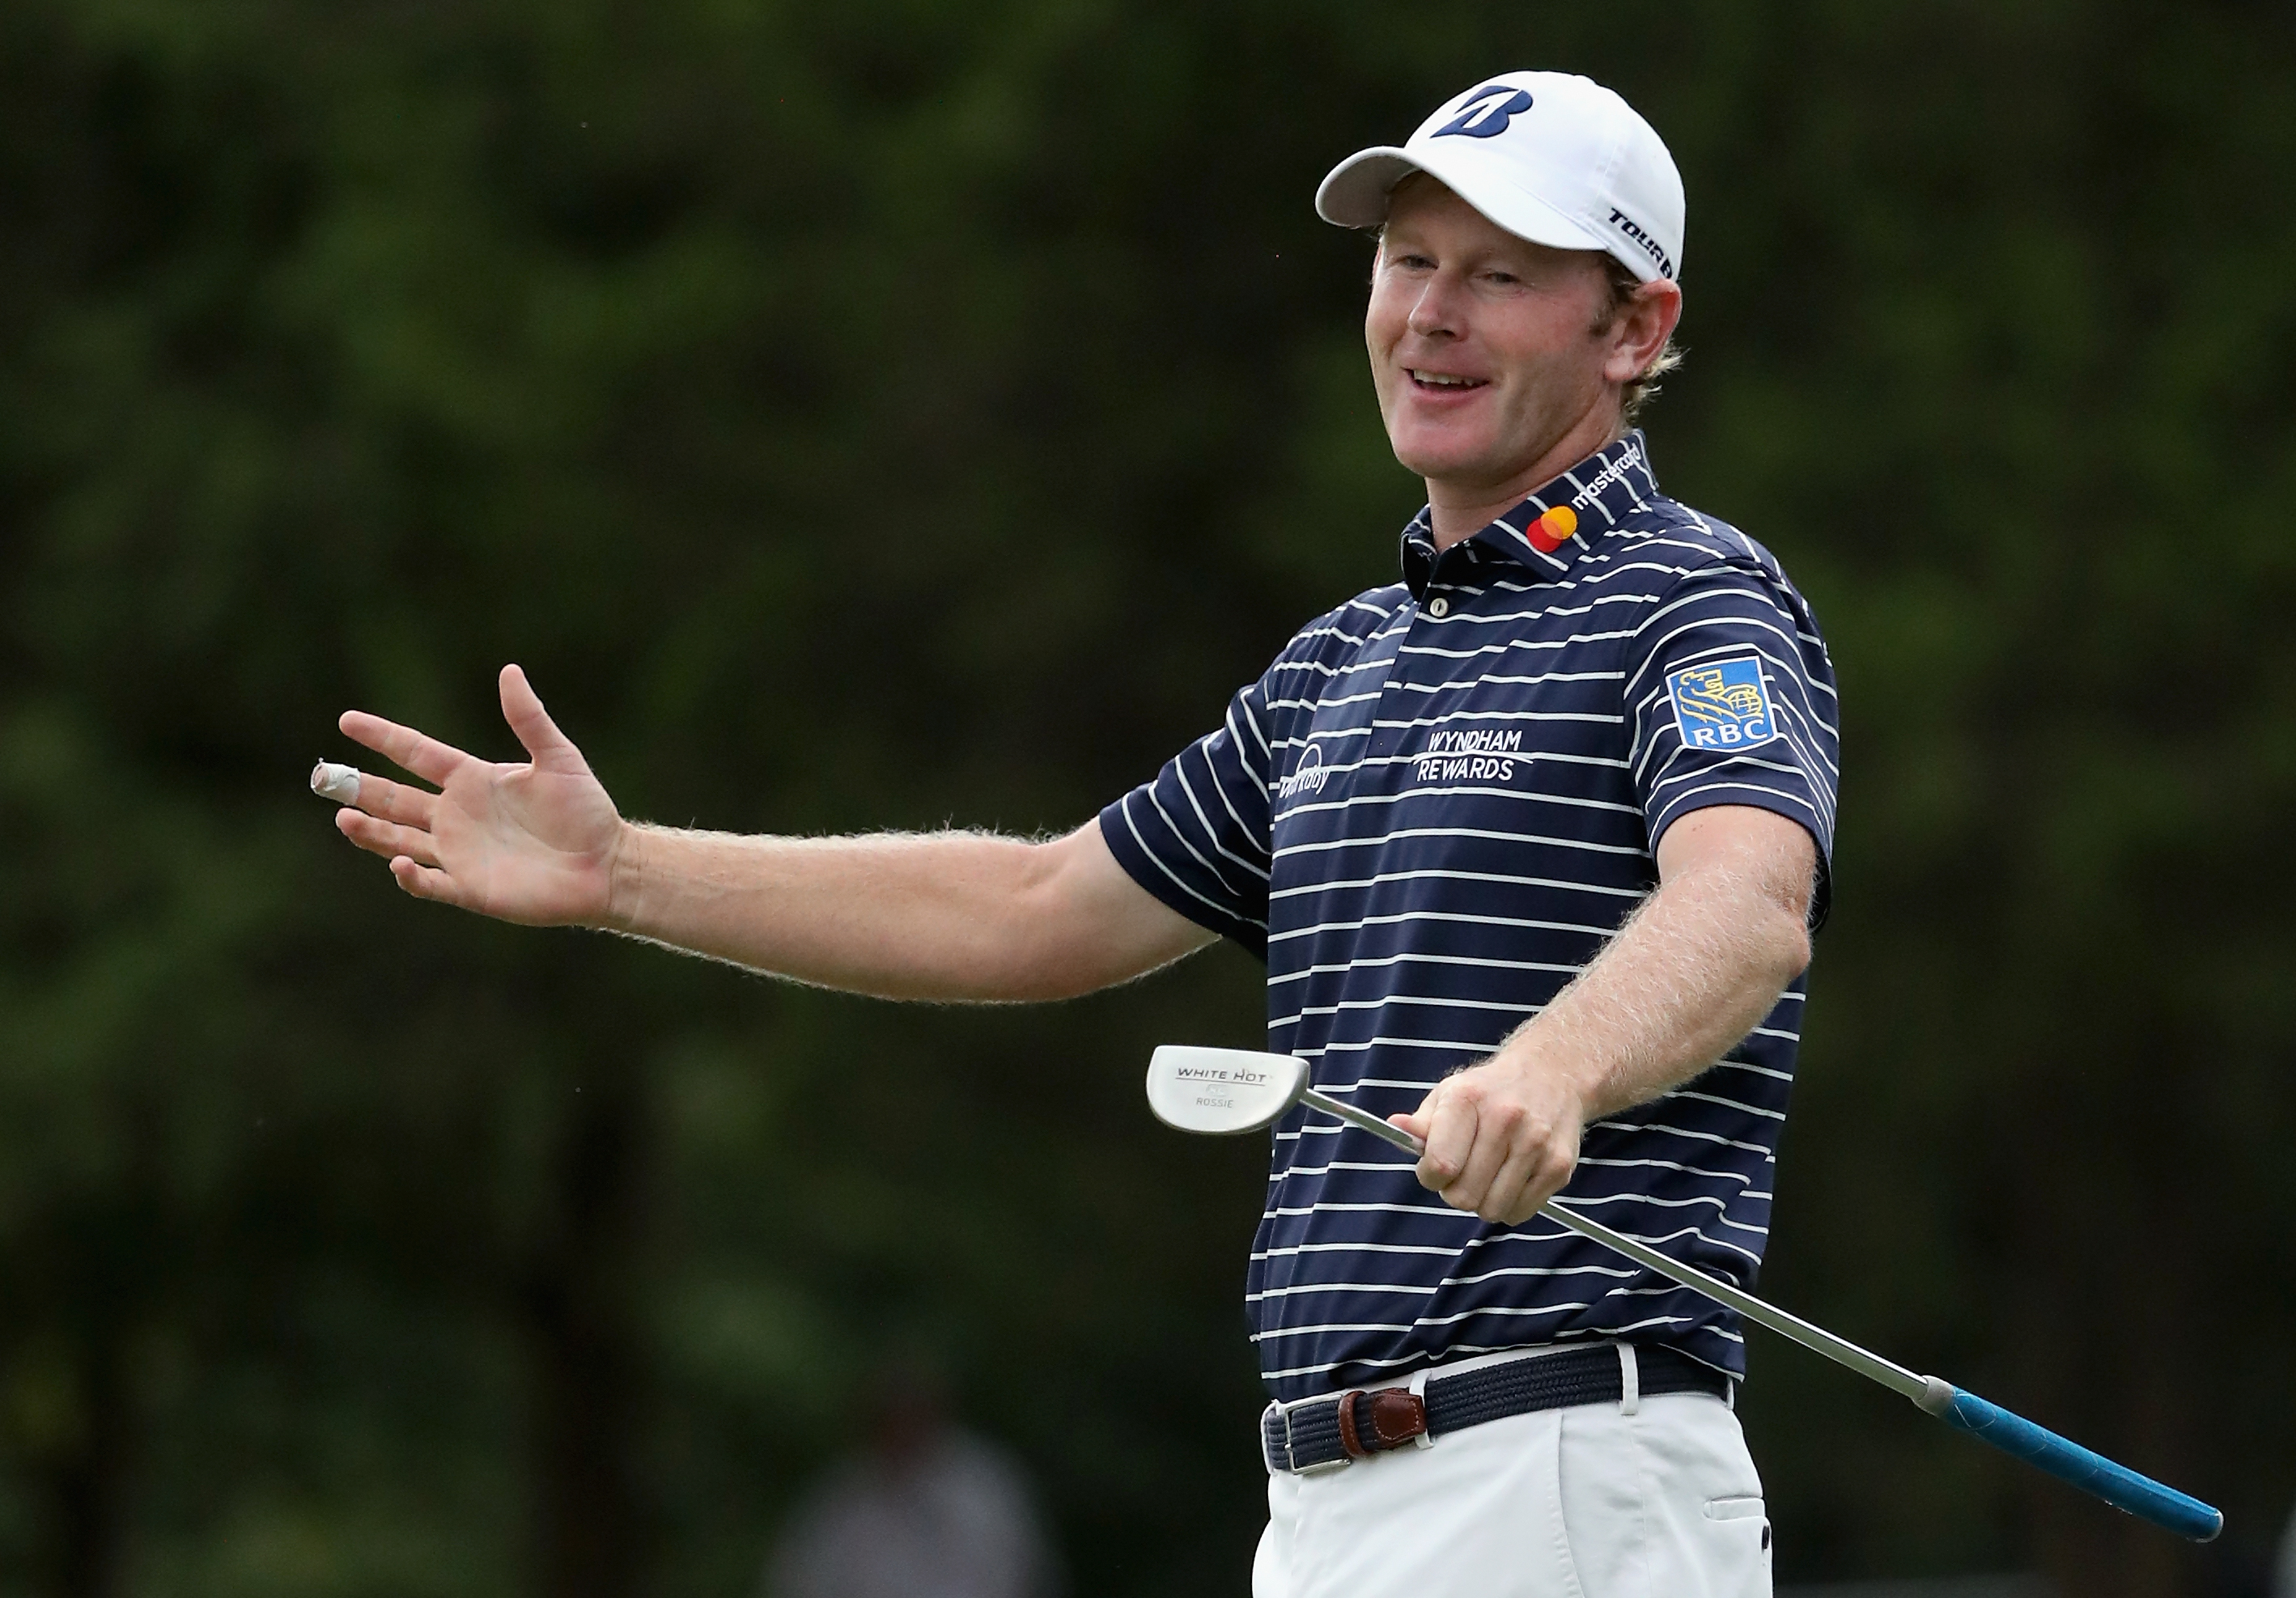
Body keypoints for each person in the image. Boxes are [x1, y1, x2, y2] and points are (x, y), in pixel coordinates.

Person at [325, 70, 1834, 1598]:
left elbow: (1747, 900)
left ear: (1635, 329)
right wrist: (625, 871)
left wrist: (1551, 1069)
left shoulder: (1689, 599)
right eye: (1407, 261)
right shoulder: (1340, 669)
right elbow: (1038, 909)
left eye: (1499, 276)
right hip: (1334, 1501)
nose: (1429, 313)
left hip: (1557, 1474)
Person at [762, 1359, 1059, 1598]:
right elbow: (798, 1582)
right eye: (891, 1421)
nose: (902, 1432)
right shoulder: (838, 1503)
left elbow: (1024, 1575)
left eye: (910, 1417)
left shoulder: (986, 1489)